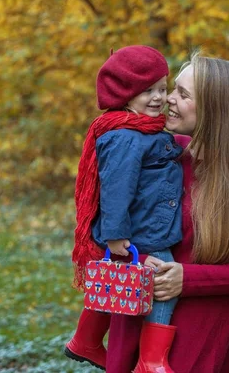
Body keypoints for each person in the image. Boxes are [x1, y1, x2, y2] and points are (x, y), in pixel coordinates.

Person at [105, 53, 229, 373]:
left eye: (183, 95)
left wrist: (187, 279)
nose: (168, 98)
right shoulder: (162, 152)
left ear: (215, 109)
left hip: (195, 331)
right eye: (174, 89)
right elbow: (119, 225)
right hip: (135, 313)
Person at [64, 45, 183, 372]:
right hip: (144, 231)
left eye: (163, 88)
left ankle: (84, 341)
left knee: (113, 277)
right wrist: (116, 235)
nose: (159, 97)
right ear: (124, 94)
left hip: (145, 224)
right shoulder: (126, 136)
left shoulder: (143, 129)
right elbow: (116, 187)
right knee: (162, 280)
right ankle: (151, 360)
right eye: (147, 91)